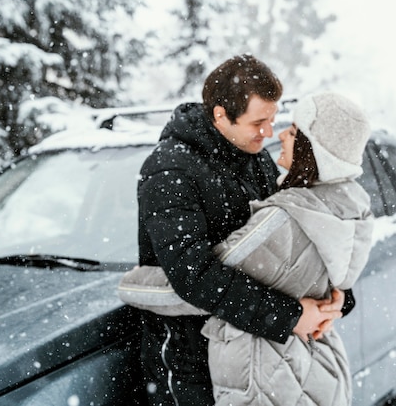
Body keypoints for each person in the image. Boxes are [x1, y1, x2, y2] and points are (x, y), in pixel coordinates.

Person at [136, 55, 350, 405]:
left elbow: (289, 245)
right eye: (258, 122)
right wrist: (290, 316)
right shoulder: (169, 170)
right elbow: (194, 274)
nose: (268, 132)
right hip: (192, 358)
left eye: (273, 119)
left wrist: (332, 297)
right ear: (221, 115)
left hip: (251, 352)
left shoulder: (254, 159)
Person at [200, 92, 374, 405]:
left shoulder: (283, 221)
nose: (280, 135)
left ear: (314, 152)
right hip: (317, 369)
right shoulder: (347, 210)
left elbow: (201, 282)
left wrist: (132, 286)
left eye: (293, 132)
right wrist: (339, 302)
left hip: (267, 382)